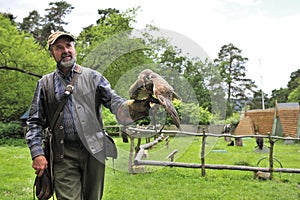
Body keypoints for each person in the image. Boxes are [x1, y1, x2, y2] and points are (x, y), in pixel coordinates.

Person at [26, 31, 153, 199]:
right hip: (62, 154)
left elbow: (116, 104)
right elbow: (34, 122)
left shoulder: (94, 77)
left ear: (74, 48)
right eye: (59, 47)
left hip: (94, 151)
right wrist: (37, 153)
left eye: (69, 45)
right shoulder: (44, 84)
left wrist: (143, 106)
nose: (65, 50)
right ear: (52, 53)